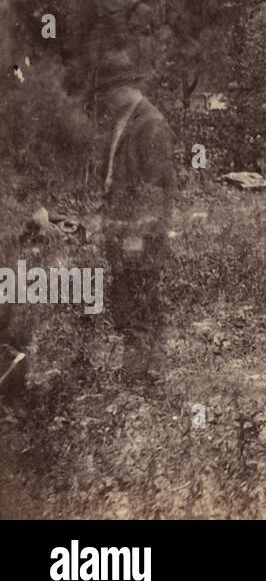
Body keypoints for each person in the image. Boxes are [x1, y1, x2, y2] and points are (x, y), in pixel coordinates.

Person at [94, 50, 176, 388]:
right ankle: (140, 371)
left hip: (141, 233)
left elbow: (154, 189)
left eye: (109, 92)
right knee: (128, 302)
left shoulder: (152, 124)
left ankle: (145, 375)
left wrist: (135, 236)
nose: (105, 99)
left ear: (125, 88)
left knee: (143, 301)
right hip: (123, 229)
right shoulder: (123, 121)